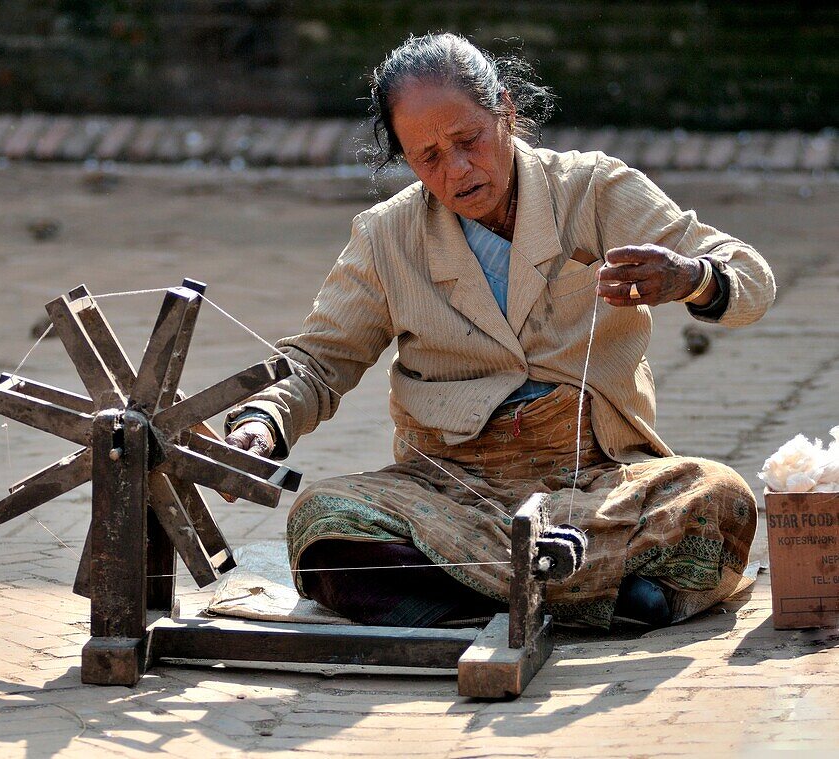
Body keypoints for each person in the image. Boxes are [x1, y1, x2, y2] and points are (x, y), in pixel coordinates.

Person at [224, 33, 775, 628]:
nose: (457, 170)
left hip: (594, 484)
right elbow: (320, 360)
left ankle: (474, 595)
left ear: (506, 113)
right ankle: (579, 594)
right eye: (427, 156)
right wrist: (264, 420)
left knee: (718, 496)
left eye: (469, 140)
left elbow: (751, 277)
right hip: (449, 493)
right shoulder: (387, 237)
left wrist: (693, 278)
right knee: (321, 518)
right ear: (405, 159)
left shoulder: (593, 191)